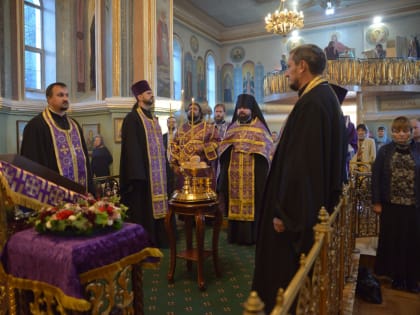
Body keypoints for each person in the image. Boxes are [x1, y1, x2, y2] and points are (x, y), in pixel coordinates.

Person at [252, 44, 347, 312]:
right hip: (312, 209)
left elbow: (301, 165)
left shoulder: (312, 103)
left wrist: (285, 212)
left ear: (302, 66)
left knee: (282, 281)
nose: (286, 73)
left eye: (289, 66)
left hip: (297, 214)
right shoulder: (323, 97)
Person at [371, 116, 420, 293]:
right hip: (391, 206)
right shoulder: (385, 151)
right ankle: (397, 279)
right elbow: (376, 177)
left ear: (411, 132)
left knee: (413, 243)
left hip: (414, 207)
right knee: (395, 243)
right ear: (392, 132)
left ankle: (412, 281)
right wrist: (376, 201)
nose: (401, 134)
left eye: (405, 130)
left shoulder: (418, 149)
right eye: (397, 130)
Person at [217, 94, 273, 245]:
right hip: (235, 173)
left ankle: (253, 236)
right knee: (234, 202)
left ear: (251, 109)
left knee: (255, 204)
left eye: (245, 108)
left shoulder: (260, 127)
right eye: (240, 108)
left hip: (254, 175)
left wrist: (249, 148)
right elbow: (223, 149)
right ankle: (235, 236)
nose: (242, 111)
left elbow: (267, 148)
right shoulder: (232, 127)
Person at [119, 80, 168, 247]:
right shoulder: (132, 119)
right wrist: (138, 175)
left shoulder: (154, 118)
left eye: (151, 92)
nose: (151, 95)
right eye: (148, 93)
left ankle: (161, 238)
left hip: (158, 174)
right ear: (139, 96)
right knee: (144, 208)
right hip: (144, 176)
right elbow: (131, 149)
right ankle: (147, 240)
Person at [20, 82, 93, 193]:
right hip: (51, 194)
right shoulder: (36, 126)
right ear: (49, 99)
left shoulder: (75, 125)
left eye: (67, 95)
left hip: (79, 192)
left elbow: (85, 160)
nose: (65, 98)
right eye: (60, 95)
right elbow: (31, 163)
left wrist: (90, 189)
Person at [169, 101, 219, 184]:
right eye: (189, 109)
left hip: (201, 168)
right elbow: (174, 146)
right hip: (183, 169)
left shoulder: (209, 128)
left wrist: (204, 147)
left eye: (195, 109)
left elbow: (217, 142)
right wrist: (174, 164)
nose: (191, 110)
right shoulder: (181, 129)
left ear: (200, 113)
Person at [163, 115, 178, 198]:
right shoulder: (163, 136)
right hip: (166, 164)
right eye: (169, 122)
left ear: (176, 124)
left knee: (176, 186)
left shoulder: (180, 136)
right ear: (166, 124)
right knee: (167, 186)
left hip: (176, 165)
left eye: (173, 122)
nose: (171, 124)